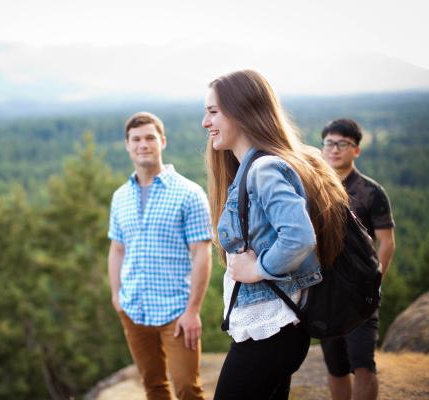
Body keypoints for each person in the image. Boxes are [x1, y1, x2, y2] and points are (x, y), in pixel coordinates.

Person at [202, 70, 350, 399]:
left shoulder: (264, 169)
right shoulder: (253, 168)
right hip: (272, 331)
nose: (205, 122)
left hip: (271, 330)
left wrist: (256, 269)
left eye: (213, 112)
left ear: (242, 111)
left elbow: (298, 237)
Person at [108, 111, 213, 400]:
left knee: (188, 390)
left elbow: (202, 254)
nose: (143, 144)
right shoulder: (120, 197)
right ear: (127, 145)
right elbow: (117, 249)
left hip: (176, 314)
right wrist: (117, 295)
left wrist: (192, 311)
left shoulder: (189, 194)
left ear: (162, 141)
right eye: (136, 139)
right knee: (153, 387)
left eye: (150, 138)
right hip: (134, 310)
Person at [320, 118, 396, 400]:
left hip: (361, 294)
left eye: (343, 144)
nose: (335, 149)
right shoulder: (316, 189)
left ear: (356, 150)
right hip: (325, 292)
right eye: (329, 143)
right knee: (336, 367)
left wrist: (373, 282)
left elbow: (387, 242)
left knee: (363, 364)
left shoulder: (370, 191)